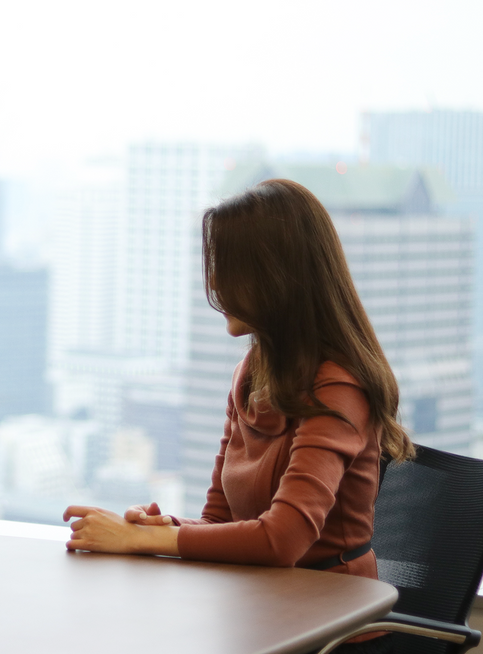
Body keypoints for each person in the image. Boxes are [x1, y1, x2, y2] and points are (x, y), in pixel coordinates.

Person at [63, 179, 413, 652]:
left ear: (272, 278)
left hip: (334, 627)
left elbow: (282, 540)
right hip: (261, 607)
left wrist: (141, 541)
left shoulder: (339, 386)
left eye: (227, 270)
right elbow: (219, 519)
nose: (214, 286)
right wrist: (163, 528)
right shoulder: (251, 373)